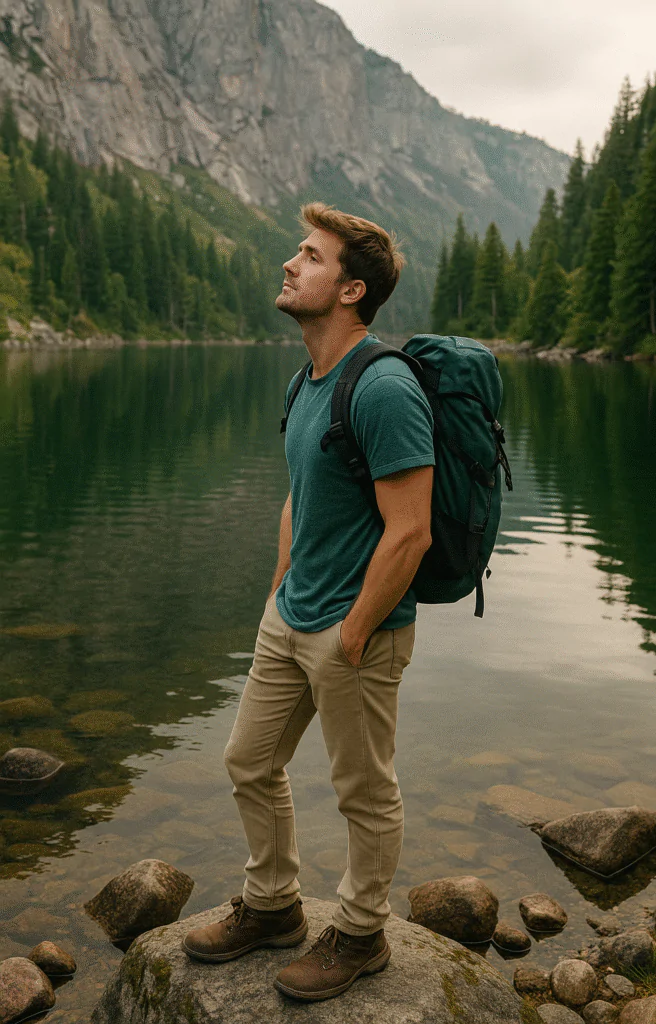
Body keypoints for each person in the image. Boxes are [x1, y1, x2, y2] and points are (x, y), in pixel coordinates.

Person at [183, 202, 435, 1002]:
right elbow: (300, 492)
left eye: (310, 256)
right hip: (288, 618)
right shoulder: (307, 377)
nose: (290, 264)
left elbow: (410, 533)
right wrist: (278, 588)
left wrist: (354, 630)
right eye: (297, 252)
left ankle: (360, 934)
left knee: (363, 790)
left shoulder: (384, 385)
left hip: (353, 632)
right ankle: (273, 905)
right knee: (248, 761)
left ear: (352, 288)